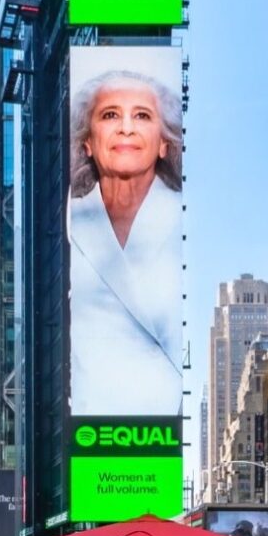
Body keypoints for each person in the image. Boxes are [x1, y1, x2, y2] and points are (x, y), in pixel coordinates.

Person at [69, 68, 183, 415]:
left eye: (142, 116)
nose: (126, 128)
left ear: (165, 142)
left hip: (158, 429)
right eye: (110, 115)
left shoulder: (181, 216)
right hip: (91, 426)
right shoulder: (70, 219)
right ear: (87, 141)